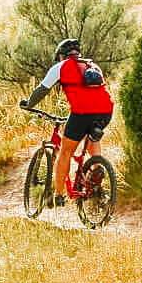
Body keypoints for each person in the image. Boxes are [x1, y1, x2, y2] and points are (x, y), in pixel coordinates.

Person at [29, 36, 113, 202]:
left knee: (66, 151)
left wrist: (29, 103)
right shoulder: (92, 65)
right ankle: (96, 169)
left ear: (61, 56)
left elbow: (42, 89)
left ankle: (59, 195)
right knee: (92, 137)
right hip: (105, 111)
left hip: (81, 113)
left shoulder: (60, 67)